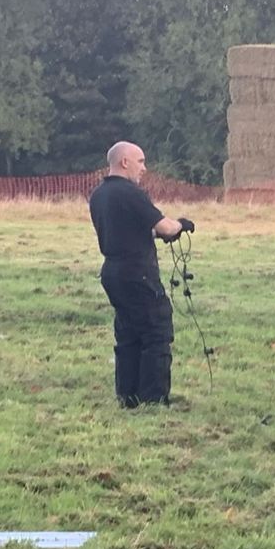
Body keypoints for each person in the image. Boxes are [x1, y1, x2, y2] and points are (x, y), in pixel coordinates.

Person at [89, 142, 189, 407]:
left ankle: (128, 396)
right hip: (138, 273)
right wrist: (181, 225)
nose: (144, 168)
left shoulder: (99, 195)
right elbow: (166, 227)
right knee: (156, 331)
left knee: (128, 334)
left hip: (113, 272)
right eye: (141, 161)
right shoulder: (130, 193)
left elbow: (128, 231)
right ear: (124, 162)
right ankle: (153, 399)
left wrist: (154, 234)